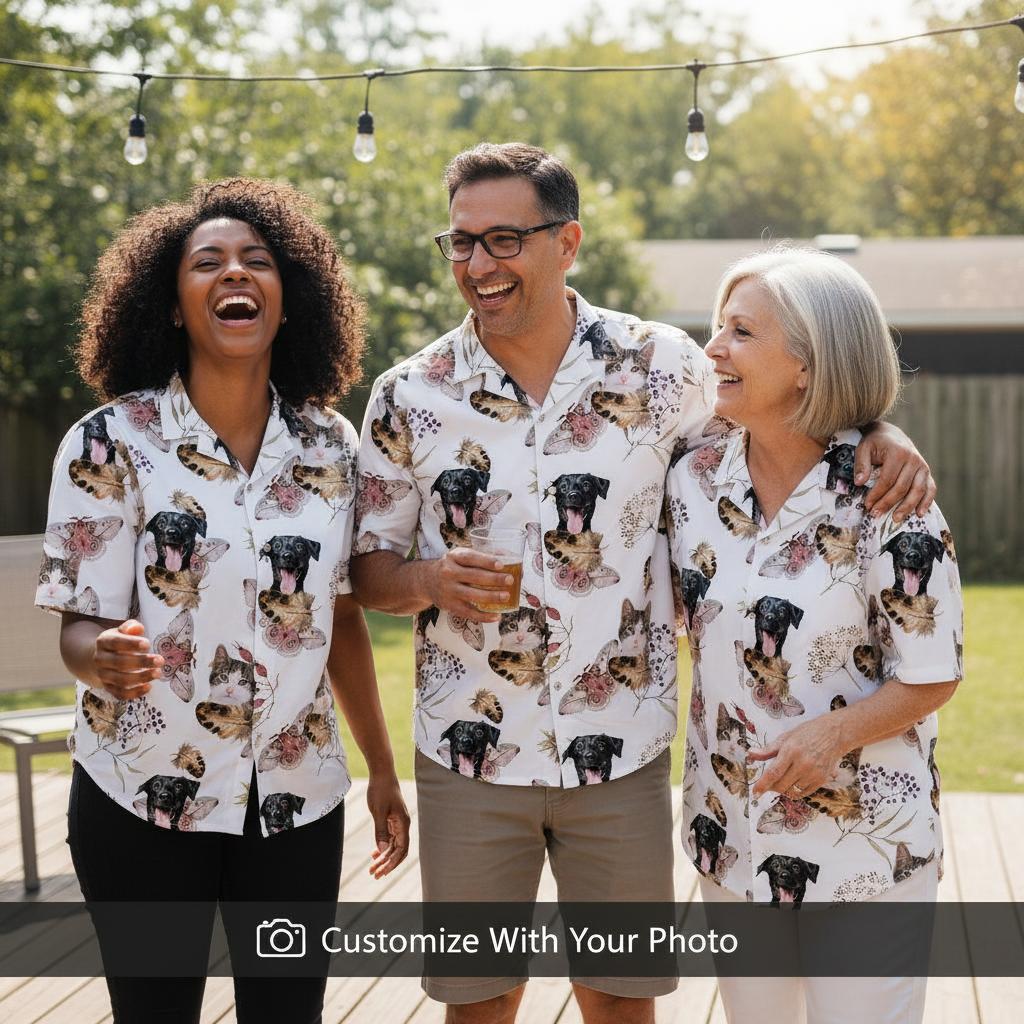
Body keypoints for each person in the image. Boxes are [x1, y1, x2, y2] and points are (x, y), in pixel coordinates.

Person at [349, 142, 935, 1024]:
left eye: (505, 239)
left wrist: (881, 430)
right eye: (462, 241)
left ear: (567, 242)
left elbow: (784, 419)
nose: (478, 263)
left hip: (621, 752)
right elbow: (366, 572)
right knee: (479, 1000)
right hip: (469, 756)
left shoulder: (665, 366)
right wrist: (428, 578)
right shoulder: (407, 394)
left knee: (622, 1000)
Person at [35, 177, 409, 1024]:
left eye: (256, 260)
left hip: (296, 798)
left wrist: (382, 770)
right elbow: (80, 627)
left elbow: (340, 616)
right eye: (207, 262)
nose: (234, 272)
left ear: (288, 298)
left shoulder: (331, 446)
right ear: (172, 306)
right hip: (139, 792)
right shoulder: (108, 443)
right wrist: (102, 657)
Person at [666, 246, 962, 1023]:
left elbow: (934, 670)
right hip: (729, 834)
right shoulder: (691, 479)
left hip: (867, 848)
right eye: (719, 326)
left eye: (741, 332)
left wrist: (832, 735)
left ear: (808, 365)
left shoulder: (889, 497)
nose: (714, 348)